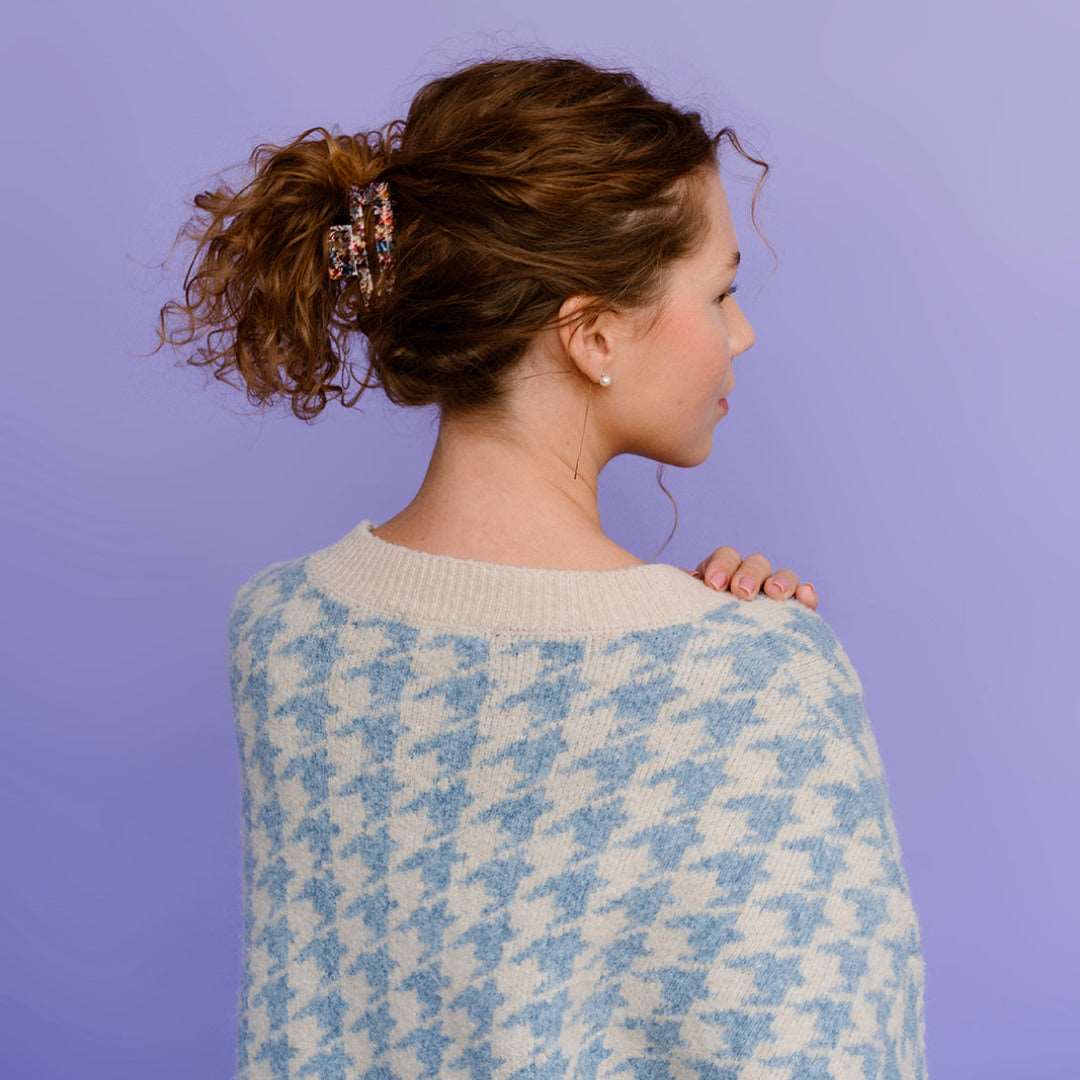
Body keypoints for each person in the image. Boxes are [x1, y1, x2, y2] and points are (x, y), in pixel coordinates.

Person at [153, 53, 926, 1079]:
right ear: (592, 334)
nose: (741, 333)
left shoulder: (283, 634)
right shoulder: (759, 682)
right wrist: (747, 660)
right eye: (722, 291)